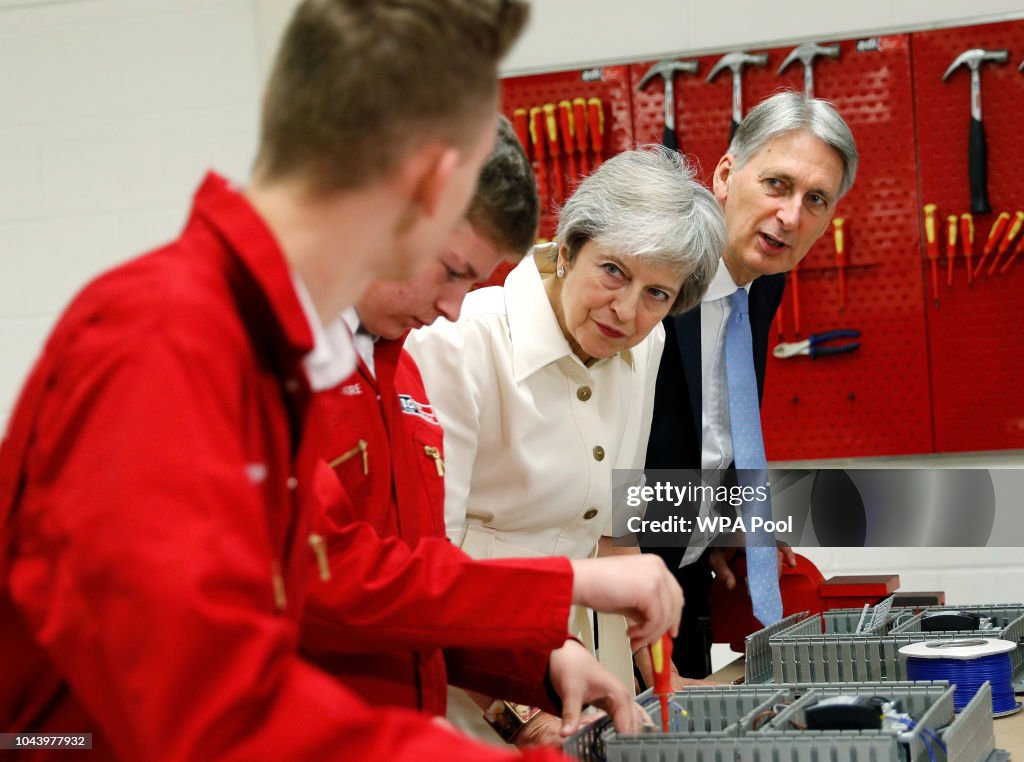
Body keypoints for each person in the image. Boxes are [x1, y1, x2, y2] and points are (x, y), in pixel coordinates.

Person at [0, 3, 680, 760]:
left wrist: (527, 648)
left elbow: (328, 574)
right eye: (449, 255)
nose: (452, 303)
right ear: (413, 180)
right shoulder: (168, 339)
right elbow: (191, 705)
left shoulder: (268, 352)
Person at [406, 145, 725, 745]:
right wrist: (524, 720)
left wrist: (665, 679)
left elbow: (612, 538)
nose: (627, 311)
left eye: (658, 294)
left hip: (578, 682)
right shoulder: (460, 344)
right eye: (614, 271)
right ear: (571, 245)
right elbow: (430, 573)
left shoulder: (642, 348)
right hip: (468, 703)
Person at [644, 91, 859, 678]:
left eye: (816, 199)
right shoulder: (653, 277)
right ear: (724, 175)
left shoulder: (763, 279)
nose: (792, 217)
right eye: (777, 185)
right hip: (608, 607)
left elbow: (711, 417)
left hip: (684, 596)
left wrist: (716, 520)